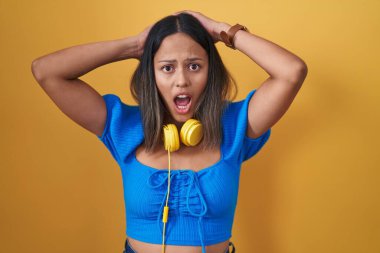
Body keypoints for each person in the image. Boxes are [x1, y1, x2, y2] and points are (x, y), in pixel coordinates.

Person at [31, 10, 307, 253]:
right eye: (167, 68)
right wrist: (136, 46)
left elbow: (292, 71)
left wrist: (223, 31)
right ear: (151, 74)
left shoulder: (235, 126)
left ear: (211, 72)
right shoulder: (123, 126)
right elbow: (46, 71)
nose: (182, 81)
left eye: (194, 66)